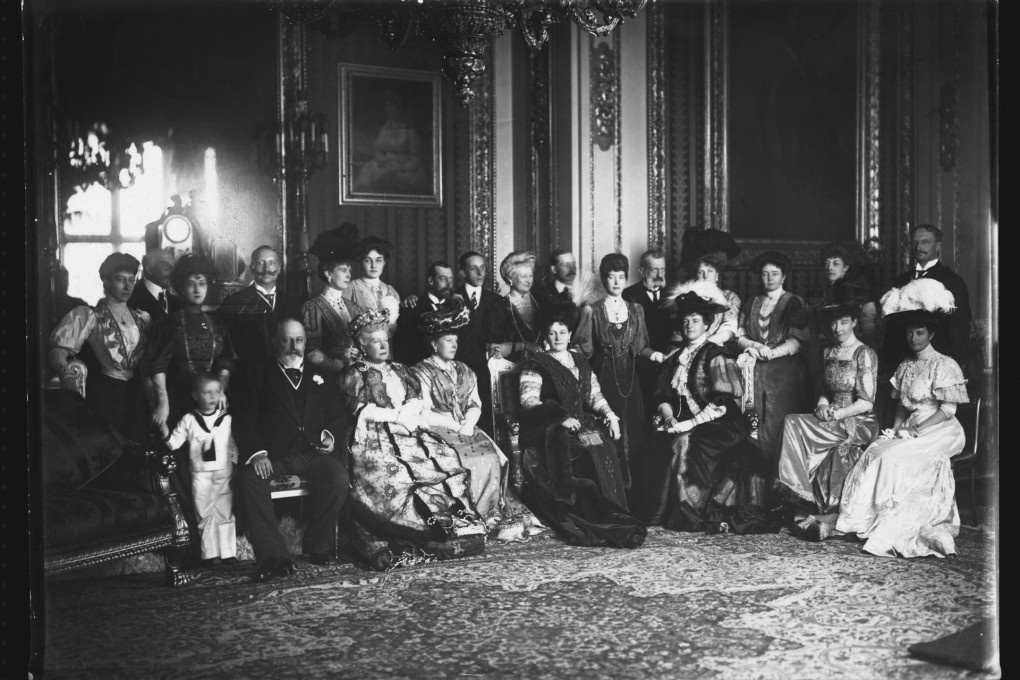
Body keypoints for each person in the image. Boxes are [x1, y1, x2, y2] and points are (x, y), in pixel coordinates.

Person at [339, 309, 486, 571]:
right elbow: (360, 410)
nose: (383, 346)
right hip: (375, 436)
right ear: (362, 344)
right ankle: (419, 530)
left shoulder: (401, 369)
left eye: (385, 340)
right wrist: (397, 414)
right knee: (396, 473)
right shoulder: (356, 372)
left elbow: (419, 407)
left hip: (409, 432)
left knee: (443, 459)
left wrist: (419, 413)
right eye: (375, 341)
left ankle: (452, 525)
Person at [833, 278, 968, 557]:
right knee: (875, 451)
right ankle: (862, 520)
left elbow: (947, 410)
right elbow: (900, 408)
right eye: (910, 333)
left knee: (894, 458)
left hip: (941, 427)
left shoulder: (944, 364)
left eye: (920, 333)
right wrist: (895, 431)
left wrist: (916, 431)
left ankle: (890, 524)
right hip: (911, 424)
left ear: (930, 334)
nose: (913, 338)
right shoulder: (906, 365)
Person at [410, 299, 544, 540]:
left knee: (492, 455)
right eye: (448, 340)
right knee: (466, 459)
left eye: (456, 340)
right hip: (435, 429)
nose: (454, 344)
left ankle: (492, 512)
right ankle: (471, 514)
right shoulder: (420, 371)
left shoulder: (464, 369)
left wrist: (469, 422)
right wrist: (454, 425)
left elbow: (475, 403)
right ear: (433, 343)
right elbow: (424, 412)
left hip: (466, 427)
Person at [517, 300, 647, 548]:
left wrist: (610, 416)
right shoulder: (537, 364)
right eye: (553, 333)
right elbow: (528, 400)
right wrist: (560, 417)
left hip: (584, 424)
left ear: (569, 335)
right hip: (552, 430)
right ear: (546, 335)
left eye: (563, 332)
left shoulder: (579, 359)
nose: (558, 337)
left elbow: (593, 395)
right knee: (586, 453)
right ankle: (598, 517)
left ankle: (615, 513)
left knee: (605, 446)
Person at [646, 289, 773, 533]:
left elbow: (721, 404)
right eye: (685, 320)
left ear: (707, 324)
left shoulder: (716, 354)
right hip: (685, 419)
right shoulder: (674, 359)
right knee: (657, 445)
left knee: (688, 442)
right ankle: (662, 511)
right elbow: (662, 396)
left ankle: (695, 508)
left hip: (722, 423)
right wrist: (670, 416)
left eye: (695, 320)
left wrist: (686, 425)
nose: (689, 325)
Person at [231, 319, 350, 580]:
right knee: (250, 478)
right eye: (287, 340)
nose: (293, 346)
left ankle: (318, 545)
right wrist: (258, 453)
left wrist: (329, 437)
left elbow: (338, 416)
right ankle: (274, 555)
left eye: (299, 340)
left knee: (338, 477)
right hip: (273, 456)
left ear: (306, 342)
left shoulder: (322, 376)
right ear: (275, 341)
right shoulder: (256, 373)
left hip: (311, 454)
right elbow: (242, 419)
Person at [775, 284, 880, 533]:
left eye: (844, 322)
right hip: (832, 414)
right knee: (791, 421)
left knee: (793, 422)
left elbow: (867, 401)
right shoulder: (829, 351)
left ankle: (798, 490)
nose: (838, 329)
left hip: (858, 420)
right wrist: (822, 404)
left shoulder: (864, 353)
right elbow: (824, 389)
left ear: (854, 321)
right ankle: (798, 491)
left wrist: (837, 413)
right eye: (834, 323)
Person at [573, 253, 665, 512]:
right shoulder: (592, 310)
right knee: (604, 433)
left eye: (621, 277)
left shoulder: (636, 310)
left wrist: (656, 354)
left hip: (630, 381)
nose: (616, 281)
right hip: (603, 377)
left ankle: (635, 498)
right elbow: (582, 349)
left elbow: (641, 347)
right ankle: (610, 495)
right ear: (604, 279)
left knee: (633, 434)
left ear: (627, 278)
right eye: (611, 277)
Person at [48, 252, 155, 443]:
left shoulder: (143, 318)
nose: (127, 286)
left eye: (131, 280)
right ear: (106, 281)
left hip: (137, 392)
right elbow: (58, 350)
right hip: (106, 392)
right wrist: (67, 375)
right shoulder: (89, 316)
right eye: (120, 280)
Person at [736, 250, 811, 489]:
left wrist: (774, 352)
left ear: (784, 276)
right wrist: (755, 346)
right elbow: (739, 336)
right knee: (754, 423)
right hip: (755, 372)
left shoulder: (793, 302)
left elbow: (800, 339)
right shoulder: (751, 302)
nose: (769, 278)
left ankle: (783, 488)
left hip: (785, 374)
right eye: (765, 274)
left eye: (775, 274)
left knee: (781, 424)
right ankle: (755, 491)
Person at [150, 254, 237, 433]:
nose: (197, 289)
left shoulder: (217, 322)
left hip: (213, 398)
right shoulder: (170, 322)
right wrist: (163, 403)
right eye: (190, 284)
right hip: (180, 398)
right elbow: (159, 364)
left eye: (202, 283)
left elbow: (226, 360)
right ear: (181, 288)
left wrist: (219, 389)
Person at [162, 373, 239, 566]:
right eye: (207, 392)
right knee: (204, 514)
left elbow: (235, 445)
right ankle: (210, 555)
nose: (213, 397)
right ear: (195, 395)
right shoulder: (189, 420)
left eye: (216, 392)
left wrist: (235, 463)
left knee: (225, 513)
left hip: (223, 473)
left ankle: (229, 554)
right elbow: (173, 443)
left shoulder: (227, 419)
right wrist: (162, 426)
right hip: (200, 475)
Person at [882, 224, 972, 378]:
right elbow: (891, 329)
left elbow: (960, 327)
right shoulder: (901, 281)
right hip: (903, 363)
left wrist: (954, 364)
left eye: (925, 242)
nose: (919, 247)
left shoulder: (952, 282)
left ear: (938, 245)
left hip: (939, 364)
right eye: (915, 242)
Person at [805, 242, 879, 401]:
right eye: (827, 263)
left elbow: (868, 333)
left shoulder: (856, 292)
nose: (829, 267)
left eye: (836, 264)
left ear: (846, 268)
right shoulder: (822, 292)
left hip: (852, 355)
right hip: (824, 352)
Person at [302, 224, 365, 375]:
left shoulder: (354, 307)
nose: (349, 275)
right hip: (328, 375)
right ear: (328, 274)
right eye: (343, 270)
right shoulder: (312, 307)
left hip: (355, 373)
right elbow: (312, 354)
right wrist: (342, 369)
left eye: (349, 270)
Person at [452, 250, 502, 436]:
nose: (480, 273)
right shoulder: (451, 299)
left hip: (485, 369)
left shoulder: (496, 301)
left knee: (486, 415)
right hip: (460, 367)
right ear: (463, 273)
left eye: (482, 268)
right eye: (474, 269)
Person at [219, 245, 287, 368]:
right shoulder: (234, 302)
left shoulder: (291, 301)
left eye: (272, 263)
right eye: (261, 263)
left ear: (279, 268)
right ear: (252, 268)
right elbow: (224, 346)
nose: (267, 269)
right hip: (246, 374)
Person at [353, 88, 426, 195]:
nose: (389, 109)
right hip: (386, 164)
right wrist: (384, 162)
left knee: (389, 176)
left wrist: (402, 167)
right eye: (388, 105)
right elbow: (379, 151)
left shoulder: (409, 131)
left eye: (393, 105)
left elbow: (416, 158)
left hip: (405, 169)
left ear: (400, 108)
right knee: (372, 175)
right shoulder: (385, 128)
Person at [622, 249, 671, 409]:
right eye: (654, 269)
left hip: (669, 360)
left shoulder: (673, 294)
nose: (659, 274)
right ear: (642, 271)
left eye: (662, 269)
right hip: (640, 363)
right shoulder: (629, 295)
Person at [394, 260, 456, 365]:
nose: (449, 284)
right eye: (443, 279)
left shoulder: (456, 308)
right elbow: (402, 350)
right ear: (431, 281)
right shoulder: (411, 308)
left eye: (450, 279)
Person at [487, 250, 544, 363]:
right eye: (523, 276)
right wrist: (524, 346)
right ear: (510, 278)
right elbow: (494, 349)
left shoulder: (541, 301)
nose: (528, 280)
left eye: (531, 275)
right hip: (512, 368)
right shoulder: (499, 308)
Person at [344, 235, 401, 336]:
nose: (373, 265)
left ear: (384, 262)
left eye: (378, 260)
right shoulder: (351, 288)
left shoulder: (389, 290)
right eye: (368, 260)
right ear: (361, 262)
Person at [129, 248, 180, 321]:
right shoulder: (130, 299)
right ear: (149, 269)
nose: (172, 271)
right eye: (166, 266)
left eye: (173, 267)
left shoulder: (178, 302)